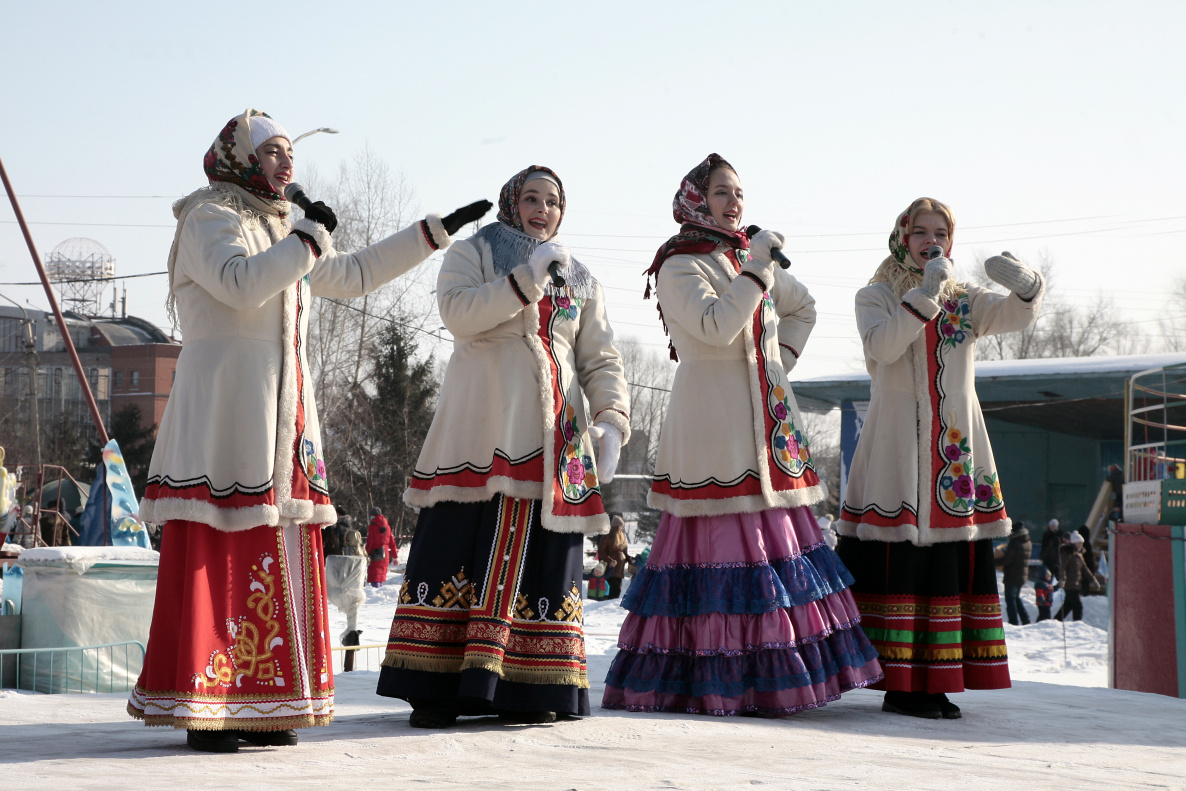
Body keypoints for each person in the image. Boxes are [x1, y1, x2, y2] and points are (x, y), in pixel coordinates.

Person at [127, 109, 491, 752]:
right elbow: (240, 286)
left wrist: (431, 234)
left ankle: (266, 706)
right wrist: (307, 240)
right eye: (270, 150)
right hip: (225, 414)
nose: (285, 162)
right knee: (222, 548)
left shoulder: (282, 228)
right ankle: (207, 707)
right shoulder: (210, 216)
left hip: (284, 417)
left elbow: (350, 274)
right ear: (237, 156)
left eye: (289, 151)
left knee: (279, 554)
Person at [603, 154, 882, 717]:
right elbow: (712, 326)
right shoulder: (680, 264)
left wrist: (772, 363)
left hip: (766, 421)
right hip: (712, 424)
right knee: (721, 542)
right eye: (722, 192)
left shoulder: (745, 259)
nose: (734, 203)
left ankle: (776, 676)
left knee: (772, 540)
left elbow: (802, 307)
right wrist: (756, 270)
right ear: (696, 199)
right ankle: (711, 678)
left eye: (739, 194)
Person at [377, 165, 631, 728]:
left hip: (554, 437)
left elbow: (600, 357)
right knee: (462, 541)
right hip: (481, 428)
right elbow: (459, 316)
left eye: (553, 202)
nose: (543, 210)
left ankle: (530, 685)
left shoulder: (580, 278)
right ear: (511, 203)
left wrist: (612, 419)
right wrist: (524, 279)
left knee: (543, 553)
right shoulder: (475, 252)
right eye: (532, 199)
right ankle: (439, 686)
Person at [836, 197, 1045, 719]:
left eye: (942, 233)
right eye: (921, 231)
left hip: (953, 447)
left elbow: (1013, 317)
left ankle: (936, 679)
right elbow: (883, 348)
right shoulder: (876, 295)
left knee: (945, 564)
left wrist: (1026, 287)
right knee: (900, 557)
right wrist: (923, 297)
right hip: (896, 448)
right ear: (902, 237)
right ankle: (900, 684)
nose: (932, 241)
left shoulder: (964, 299)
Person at [1056, 531, 1099, 621]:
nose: (1081, 544)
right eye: (1079, 542)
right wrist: (1062, 579)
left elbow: (1085, 570)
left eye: (1081, 543)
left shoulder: (1078, 555)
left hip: (1075, 584)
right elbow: (1062, 567)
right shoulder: (1068, 553)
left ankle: (1056, 621)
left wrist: (1093, 580)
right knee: (1078, 606)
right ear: (1074, 542)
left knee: (1068, 606)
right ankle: (1076, 624)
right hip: (1069, 584)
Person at [997, 520, 1032, 625]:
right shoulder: (1027, 541)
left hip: (1012, 574)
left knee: (1010, 599)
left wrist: (994, 562)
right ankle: (1025, 619)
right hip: (1021, 574)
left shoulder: (1015, 542)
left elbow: (1008, 559)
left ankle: (1013, 622)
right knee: (1016, 597)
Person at [597, 515, 629, 600]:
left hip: (620, 570)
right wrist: (609, 560)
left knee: (617, 590)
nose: (623, 528)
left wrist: (629, 559)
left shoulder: (622, 536)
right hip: (611, 569)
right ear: (617, 526)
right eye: (621, 526)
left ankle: (610, 606)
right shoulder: (607, 537)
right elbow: (601, 552)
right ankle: (607, 606)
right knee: (614, 589)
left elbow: (624, 552)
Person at [365, 507, 398, 587]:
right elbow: (392, 543)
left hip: (375, 556)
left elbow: (370, 542)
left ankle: (376, 597)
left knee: (375, 578)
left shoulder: (372, 527)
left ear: (372, 516)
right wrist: (395, 557)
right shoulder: (388, 527)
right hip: (385, 555)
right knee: (380, 579)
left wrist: (366, 553)